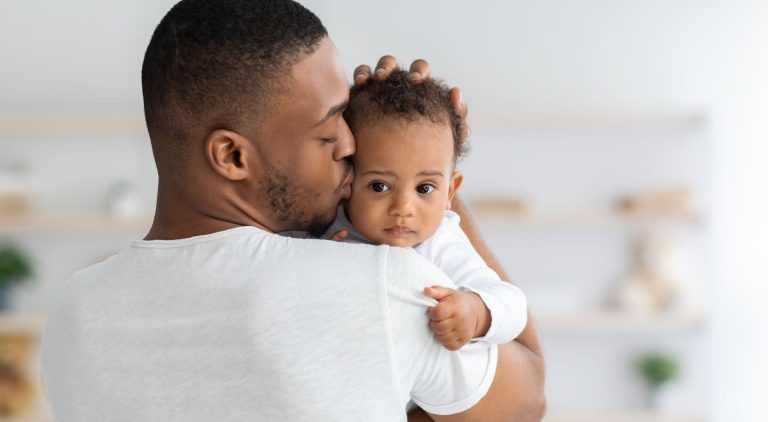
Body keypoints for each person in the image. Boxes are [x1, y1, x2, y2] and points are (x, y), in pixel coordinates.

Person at [39, 1, 545, 421]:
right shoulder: (383, 285)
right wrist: (430, 166)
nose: (351, 146)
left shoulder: (73, 310)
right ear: (233, 156)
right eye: (328, 130)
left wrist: (399, 161)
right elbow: (526, 398)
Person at [316, 71, 528, 353]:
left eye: (425, 188)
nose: (403, 208)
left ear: (450, 192)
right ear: (346, 182)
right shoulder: (330, 232)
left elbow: (513, 306)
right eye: (380, 186)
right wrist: (315, 266)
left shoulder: (439, 242)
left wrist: (475, 312)